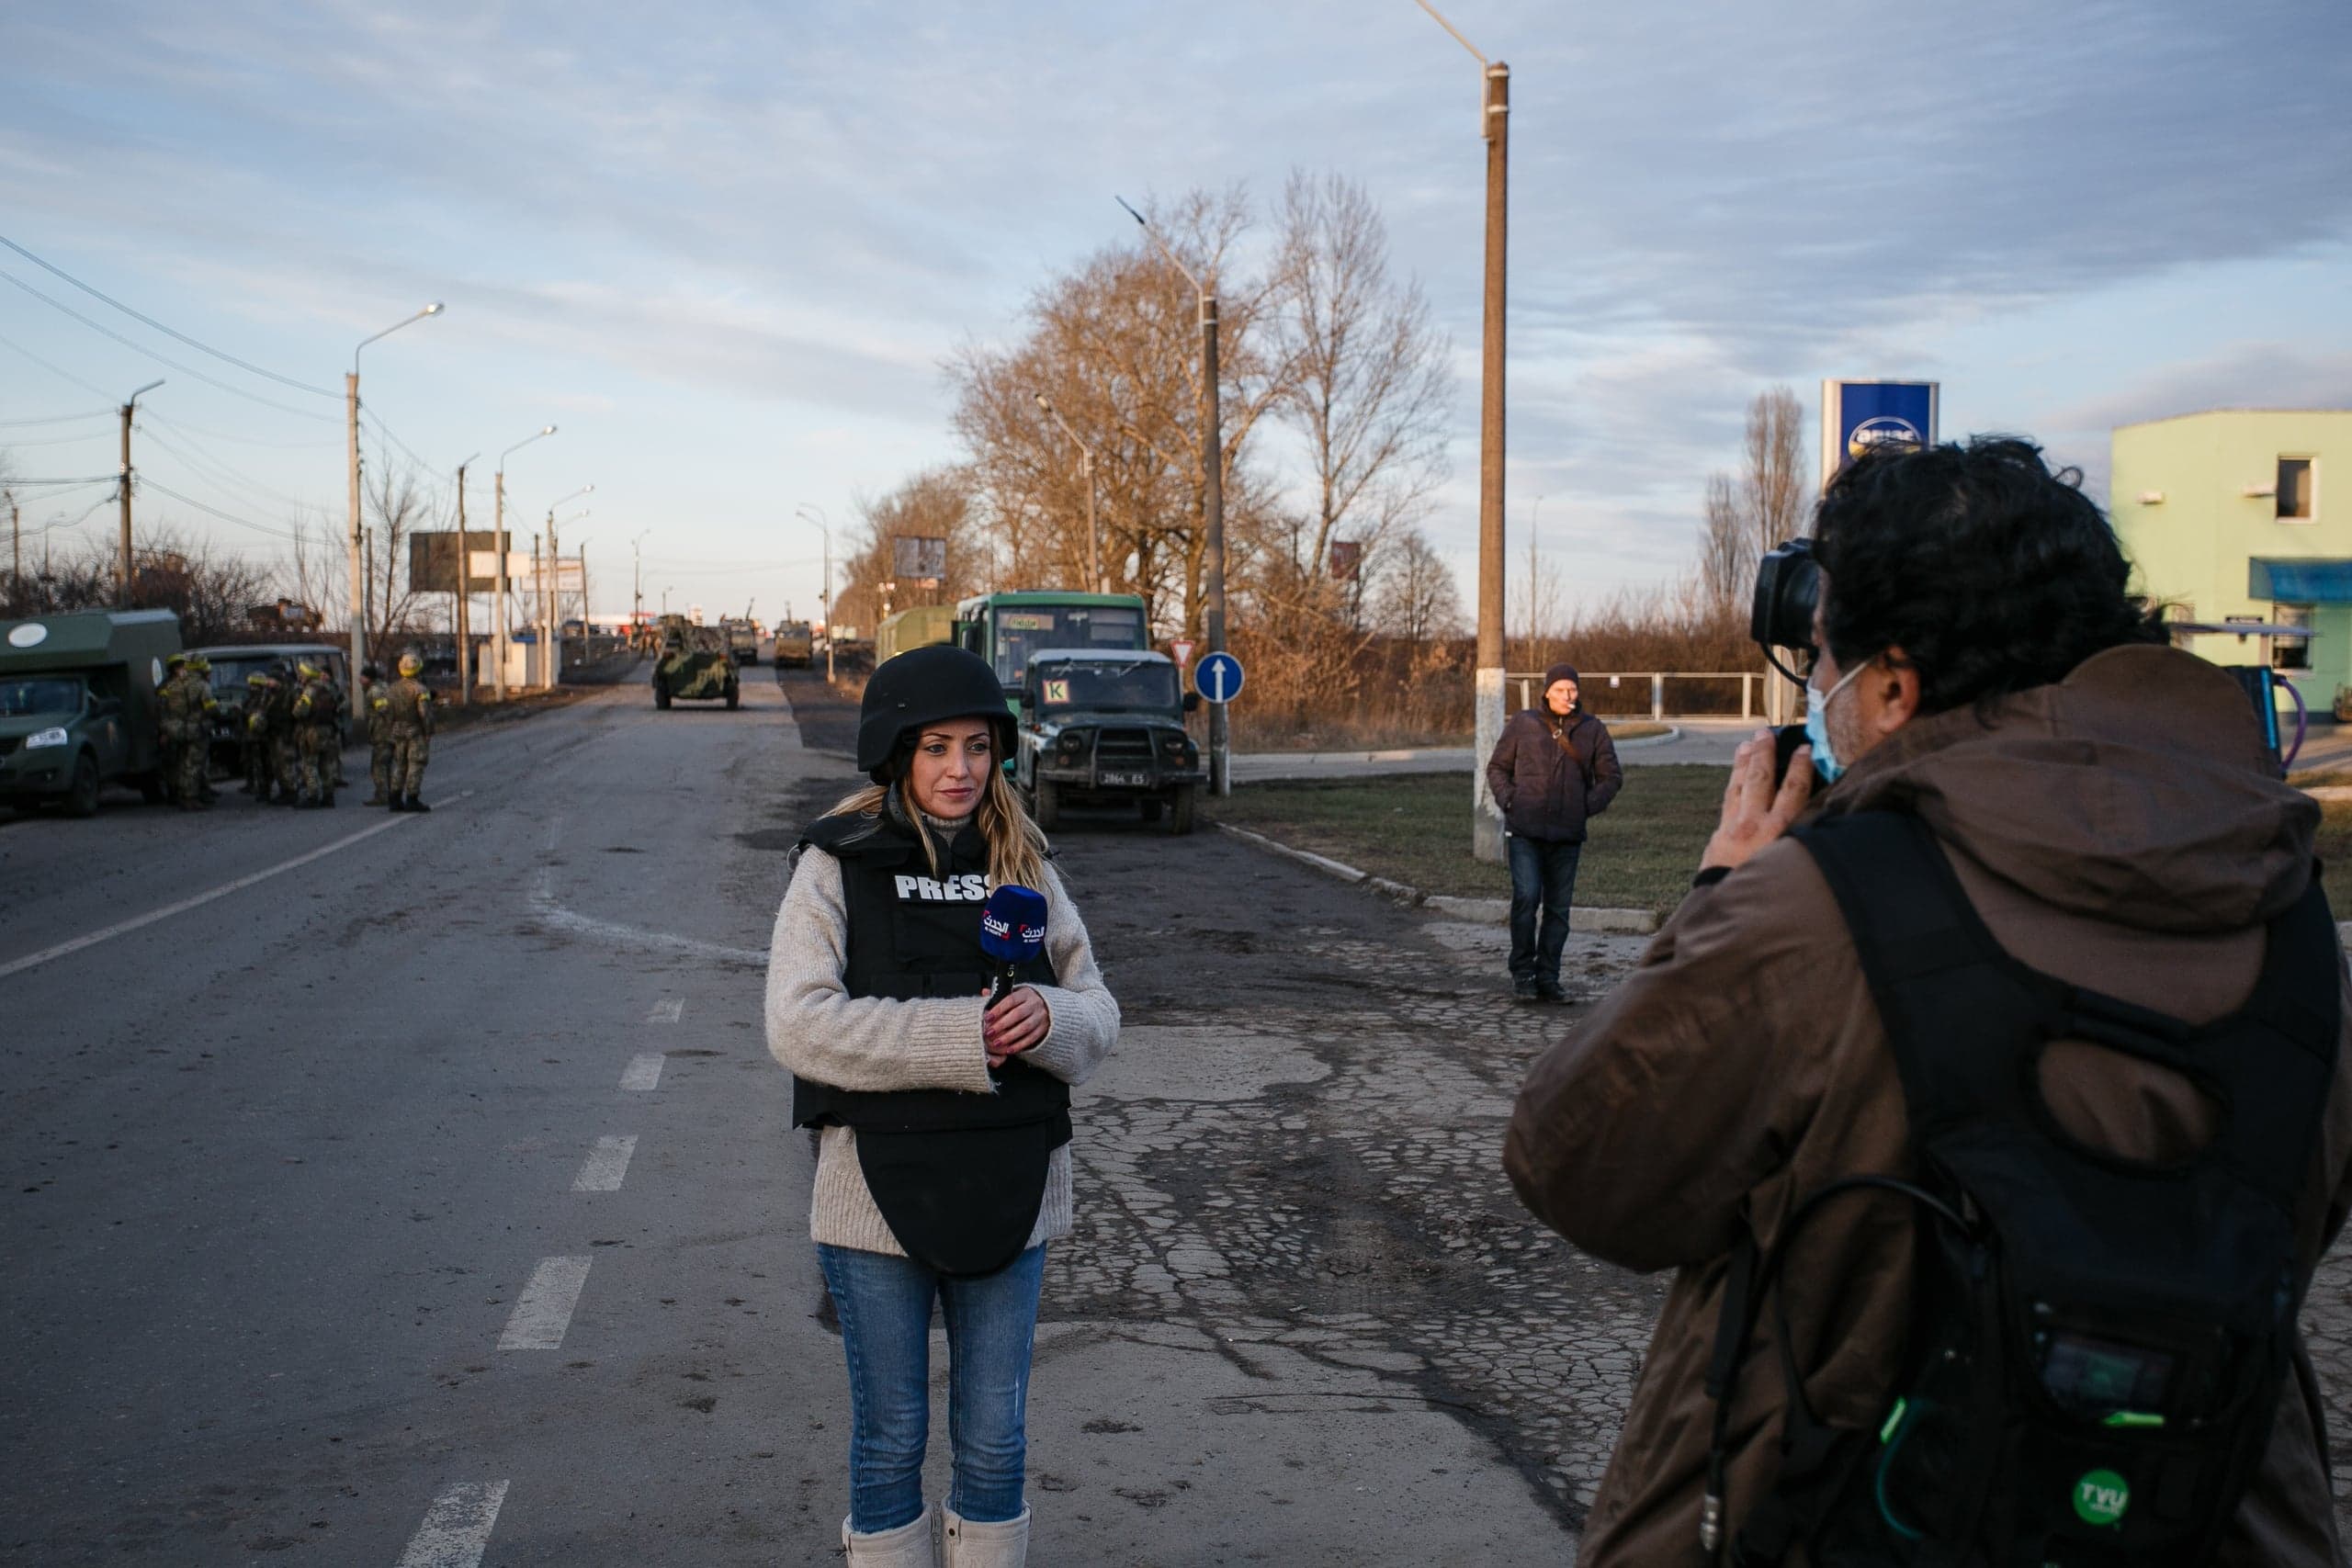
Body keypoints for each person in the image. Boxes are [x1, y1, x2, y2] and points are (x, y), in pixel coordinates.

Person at [1503, 437, 2352, 1566]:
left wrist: (1724, 894)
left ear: (1891, 688)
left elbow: (1582, 1166)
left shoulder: (1824, 910)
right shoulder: (2292, 919)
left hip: (1837, 1517)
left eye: (1821, 661)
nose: (1817, 694)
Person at [765, 644, 1119, 1568]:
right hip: (871, 1198)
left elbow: (1100, 1013)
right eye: (934, 747)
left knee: (996, 1439)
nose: (959, 769)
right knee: (890, 1435)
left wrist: (1048, 1015)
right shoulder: (834, 864)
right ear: (895, 754)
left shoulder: (1025, 864)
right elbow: (797, 1027)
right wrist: (966, 1036)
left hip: (1014, 1183)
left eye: (976, 746)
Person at [1483, 661, 1623, 1001]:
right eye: (1560, 689)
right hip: (1525, 830)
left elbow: (1611, 777)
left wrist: (1585, 806)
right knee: (1527, 897)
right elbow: (1498, 767)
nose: (1568, 695)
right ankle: (1523, 973)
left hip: (1566, 836)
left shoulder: (1593, 729)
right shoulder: (1524, 724)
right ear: (1547, 692)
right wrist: (1510, 800)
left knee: (1558, 910)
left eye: (1572, 689)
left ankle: (1548, 978)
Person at [375, 651, 435, 812]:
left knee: (400, 765)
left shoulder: (391, 689)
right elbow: (425, 713)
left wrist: (391, 727)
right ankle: (412, 799)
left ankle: (394, 799)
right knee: (416, 764)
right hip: (415, 732)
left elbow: (384, 711)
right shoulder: (420, 689)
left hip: (397, 732)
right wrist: (429, 731)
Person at [289, 660, 343, 808]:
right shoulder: (328, 688)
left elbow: (300, 712)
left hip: (313, 730)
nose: (300, 676)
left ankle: (312, 796)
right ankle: (328, 796)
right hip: (328, 730)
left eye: (302, 674)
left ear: (307, 675)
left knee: (309, 763)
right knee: (325, 763)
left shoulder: (309, 690)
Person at [359, 661, 393, 806]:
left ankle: (382, 796)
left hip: (382, 733)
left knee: (378, 766)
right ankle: (391, 793)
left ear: (369, 678)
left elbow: (384, 709)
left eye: (362, 677)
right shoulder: (384, 686)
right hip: (387, 733)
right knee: (387, 765)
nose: (360, 680)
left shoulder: (375, 691)